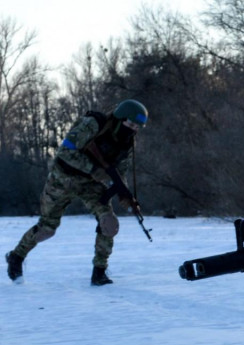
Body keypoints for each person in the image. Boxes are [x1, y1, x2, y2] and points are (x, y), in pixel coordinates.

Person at [6, 99, 149, 286]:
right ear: (119, 118)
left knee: (109, 223)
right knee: (47, 229)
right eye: (130, 124)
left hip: (90, 185)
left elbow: (120, 173)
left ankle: (99, 271)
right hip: (62, 179)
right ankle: (16, 256)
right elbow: (65, 152)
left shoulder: (126, 143)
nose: (133, 130)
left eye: (137, 127)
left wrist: (124, 193)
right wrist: (93, 169)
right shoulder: (94, 124)